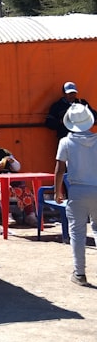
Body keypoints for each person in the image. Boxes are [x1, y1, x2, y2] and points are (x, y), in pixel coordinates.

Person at [54, 103, 97, 286]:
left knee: (77, 233)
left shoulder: (66, 142)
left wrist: (58, 191)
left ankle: (79, 273)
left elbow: (59, 169)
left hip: (77, 191)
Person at [0, 130, 31, 227]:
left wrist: (11, 161)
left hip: (9, 178)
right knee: (5, 189)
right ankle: (8, 215)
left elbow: (17, 168)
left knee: (24, 190)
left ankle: (31, 215)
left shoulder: (5, 152)